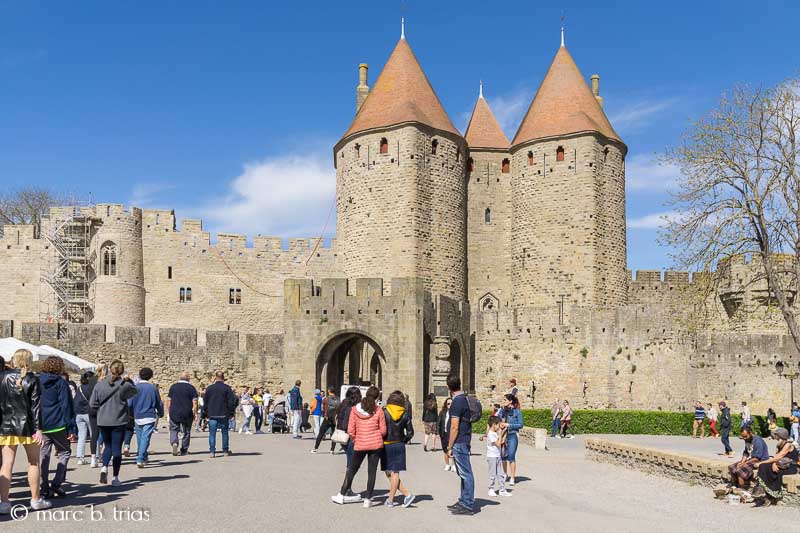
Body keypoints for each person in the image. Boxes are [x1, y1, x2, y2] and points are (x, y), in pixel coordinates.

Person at [0, 349, 53, 513]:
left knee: (6, 464)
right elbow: (36, 407)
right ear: (29, 361)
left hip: (6, 425)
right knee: (33, 462)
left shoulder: (2, 377)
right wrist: (39, 429)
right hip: (28, 426)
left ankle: (4, 502)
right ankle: (36, 499)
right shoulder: (32, 379)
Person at [331, 386, 387, 508]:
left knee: (352, 469)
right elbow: (383, 430)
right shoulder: (378, 410)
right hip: (375, 444)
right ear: (377, 397)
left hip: (360, 443)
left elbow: (351, 430)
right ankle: (368, 499)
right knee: (371, 472)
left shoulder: (354, 410)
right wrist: (375, 435)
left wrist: (357, 438)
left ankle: (341, 494)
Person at [90, 360, 138, 486]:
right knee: (117, 448)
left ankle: (104, 467)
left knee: (108, 446)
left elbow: (92, 404)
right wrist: (127, 380)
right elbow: (134, 392)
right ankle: (115, 477)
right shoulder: (124, 385)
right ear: (122, 371)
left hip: (103, 420)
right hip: (119, 420)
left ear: (110, 369)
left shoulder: (99, 385)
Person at [38, 356, 75, 499]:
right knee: (64, 452)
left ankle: (43, 487)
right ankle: (57, 483)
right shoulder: (61, 382)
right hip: (58, 424)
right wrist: (71, 427)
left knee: (43, 455)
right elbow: (66, 405)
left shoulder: (37, 381)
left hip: (42, 425)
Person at [381, 390, 415, 508]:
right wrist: (404, 440)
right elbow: (410, 432)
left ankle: (390, 499)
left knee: (390, 472)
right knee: (393, 472)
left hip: (386, 444)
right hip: (399, 444)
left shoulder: (384, 412)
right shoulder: (404, 413)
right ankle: (407, 494)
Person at [446, 374, 474, 516]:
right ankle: (464, 500)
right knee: (463, 474)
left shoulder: (457, 402)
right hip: (463, 440)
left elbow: (454, 427)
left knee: (466, 474)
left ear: (448, 386)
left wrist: (449, 446)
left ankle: (468, 505)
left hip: (460, 442)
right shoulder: (462, 399)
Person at [752, 427, 798, 506]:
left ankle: (771, 495)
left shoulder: (788, 445)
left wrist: (760, 463)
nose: (775, 437)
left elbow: (778, 457)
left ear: (781, 436)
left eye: (776, 436)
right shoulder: (779, 445)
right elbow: (776, 457)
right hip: (780, 464)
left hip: (790, 467)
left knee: (773, 471)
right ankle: (762, 489)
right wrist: (774, 464)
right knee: (763, 467)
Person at [129, 367, 164, 468]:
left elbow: (130, 403)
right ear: (150, 376)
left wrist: (130, 414)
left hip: (137, 415)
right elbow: (158, 402)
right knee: (145, 438)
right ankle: (140, 458)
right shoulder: (153, 388)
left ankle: (143, 456)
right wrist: (161, 413)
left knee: (140, 438)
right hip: (149, 415)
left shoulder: (134, 388)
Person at [203, 371, 238, 458]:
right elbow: (231, 402)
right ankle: (225, 451)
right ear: (223, 377)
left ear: (215, 377)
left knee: (212, 433)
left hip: (212, 414)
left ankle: (212, 451)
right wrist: (231, 413)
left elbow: (205, 402)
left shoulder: (209, 388)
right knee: (225, 433)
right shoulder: (227, 388)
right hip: (223, 413)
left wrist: (205, 413)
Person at [726, 425, 769, 490]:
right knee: (731, 467)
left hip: (760, 460)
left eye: (745, 436)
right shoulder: (747, 439)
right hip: (752, 459)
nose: (744, 438)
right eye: (743, 437)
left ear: (750, 433)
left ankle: (742, 489)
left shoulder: (757, 441)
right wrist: (741, 462)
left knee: (739, 470)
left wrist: (743, 464)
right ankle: (735, 485)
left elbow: (757, 458)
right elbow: (746, 452)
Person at [166, 371, 198, 456]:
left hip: (174, 411)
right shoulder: (191, 388)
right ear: (188, 378)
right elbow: (195, 402)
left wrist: (169, 411)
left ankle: (174, 442)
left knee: (173, 429)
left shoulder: (173, 387)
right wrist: (195, 412)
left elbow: (169, 400)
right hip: (187, 412)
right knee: (187, 431)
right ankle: (184, 449)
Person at [500, 393, 523, 486]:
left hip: (513, 435)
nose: (504, 402)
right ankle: (505, 474)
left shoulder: (517, 412)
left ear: (510, 401)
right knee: (503, 456)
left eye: (505, 400)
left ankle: (512, 477)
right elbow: (498, 420)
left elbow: (520, 425)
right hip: (503, 435)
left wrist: (509, 425)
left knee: (511, 456)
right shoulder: (502, 411)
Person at [486, 415, 511, 497]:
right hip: (492, 456)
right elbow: (498, 444)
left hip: (497, 456)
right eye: (498, 424)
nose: (499, 427)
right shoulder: (491, 434)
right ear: (494, 424)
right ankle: (491, 489)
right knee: (492, 474)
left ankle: (502, 489)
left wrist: (502, 433)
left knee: (500, 473)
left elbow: (501, 441)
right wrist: (500, 434)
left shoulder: (494, 433)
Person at [337, 387, 362, 467]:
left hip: (343, 433)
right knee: (351, 457)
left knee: (349, 454)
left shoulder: (344, 403)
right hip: (353, 433)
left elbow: (339, 417)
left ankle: (349, 470)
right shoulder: (359, 406)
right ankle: (349, 473)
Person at [73, 371, 94, 465]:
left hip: (78, 414)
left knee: (82, 436)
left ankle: (80, 457)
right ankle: (96, 456)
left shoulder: (79, 388)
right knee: (94, 436)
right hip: (88, 414)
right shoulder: (91, 388)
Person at [312, 387, 340, 454]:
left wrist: (324, 415)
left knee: (321, 433)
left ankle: (315, 448)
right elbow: (339, 409)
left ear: (329, 391)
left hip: (327, 418)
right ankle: (332, 450)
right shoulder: (338, 399)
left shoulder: (325, 399)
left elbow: (322, 408)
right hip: (334, 418)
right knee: (333, 435)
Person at [438, 397, 454, 471]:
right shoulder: (442, 413)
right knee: (445, 450)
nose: (450, 405)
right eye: (448, 404)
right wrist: (438, 433)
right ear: (446, 404)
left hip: (451, 434)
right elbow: (439, 423)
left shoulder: (455, 413)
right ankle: (447, 464)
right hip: (444, 433)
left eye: (451, 403)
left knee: (453, 449)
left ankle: (453, 465)